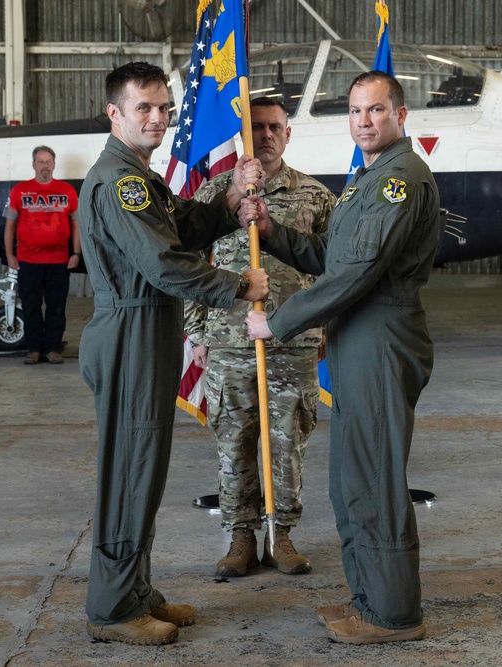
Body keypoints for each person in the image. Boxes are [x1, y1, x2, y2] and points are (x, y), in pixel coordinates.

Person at [238, 71, 440, 644]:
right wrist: (272, 230)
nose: (364, 121)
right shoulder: (367, 177)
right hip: (356, 335)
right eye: (355, 111)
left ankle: (393, 614)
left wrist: (276, 322)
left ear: (401, 115)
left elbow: (356, 273)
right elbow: (331, 254)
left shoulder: (400, 179)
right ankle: (368, 596)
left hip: (381, 335)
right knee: (351, 481)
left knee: (373, 479)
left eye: (376, 111)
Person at [77, 61, 269, 646]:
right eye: (144, 108)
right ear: (115, 114)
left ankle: (134, 589)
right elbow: (162, 263)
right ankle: (112, 610)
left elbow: (180, 227)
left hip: (147, 330)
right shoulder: (121, 181)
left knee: (147, 469)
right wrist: (239, 287)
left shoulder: (142, 176)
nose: (158, 118)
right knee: (130, 471)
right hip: (130, 333)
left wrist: (230, 195)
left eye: (165, 108)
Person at [184, 97, 336, 578]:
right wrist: (196, 331)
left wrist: (326, 323)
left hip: (294, 342)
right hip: (229, 339)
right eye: (256, 128)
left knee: (288, 439)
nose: (266, 135)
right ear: (243, 138)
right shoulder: (215, 195)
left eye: (275, 127)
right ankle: (240, 537)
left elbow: (337, 268)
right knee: (234, 440)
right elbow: (189, 265)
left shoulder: (315, 196)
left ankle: (282, 534)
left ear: (288, 135)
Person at [4, 146, 81, 365]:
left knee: (57, 307)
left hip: (59, 261)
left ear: (54, 164)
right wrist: (10, 254)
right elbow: (9, 226)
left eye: (48, 161)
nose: (44, 165)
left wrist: (76, 253)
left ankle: (52, 349)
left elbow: (76, 224)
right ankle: (34, 349)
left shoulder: (67, 191)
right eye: (40, 161)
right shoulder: (19, 191)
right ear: (33, 164)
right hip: (28, 261)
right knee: (31, 306)